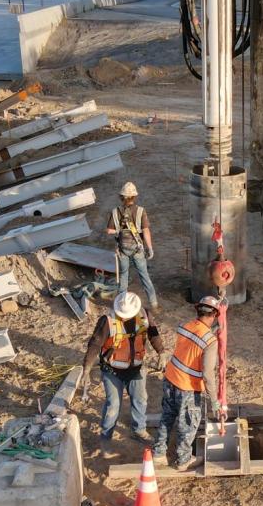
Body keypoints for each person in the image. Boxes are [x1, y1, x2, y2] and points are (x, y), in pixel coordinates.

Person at [81, 291, 163, 453]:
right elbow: (95, 345)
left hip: (136, 368)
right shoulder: (107, 321)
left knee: (140, 401)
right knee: (113, 405)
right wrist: (87, 368)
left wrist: (162, 351)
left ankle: (139, 430)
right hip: (112, 371)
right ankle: (106, 437)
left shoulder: (145, 315)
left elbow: (153, 333)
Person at [153, 296, 223, 470]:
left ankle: (158, 453)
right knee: (188, 423)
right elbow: (207, 374)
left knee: (167, 416)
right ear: (214, 315)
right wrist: (214, 401)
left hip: (170, 378)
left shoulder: (184, 326)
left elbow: (192, 342)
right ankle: (183, 460)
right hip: (188, 387)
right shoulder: (210, 341)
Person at [108, 181, 158, 311]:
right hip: (137, 250)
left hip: (122, 250)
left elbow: (109, 231)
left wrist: (119, 231)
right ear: (134, 197)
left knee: (123, 276)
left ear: (121, 196)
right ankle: (154, 304)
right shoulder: (141, 211)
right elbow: (146, 231)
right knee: (144, 276)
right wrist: (150, 248)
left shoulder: (115, 212)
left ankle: (120, 304)